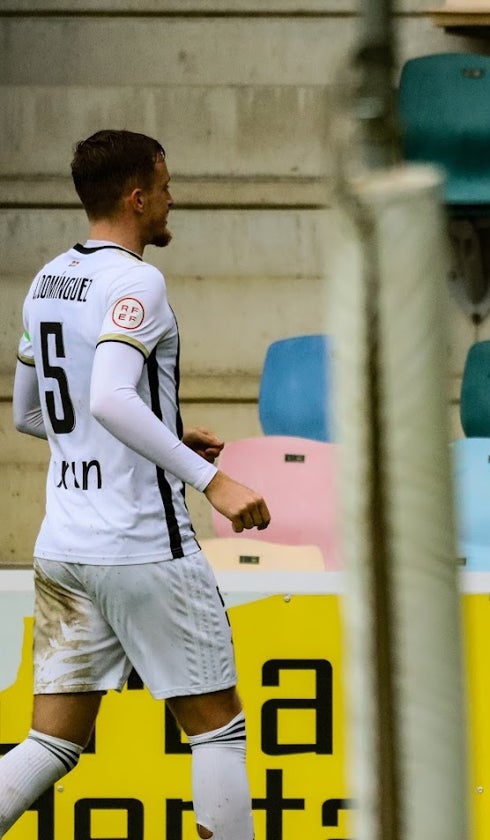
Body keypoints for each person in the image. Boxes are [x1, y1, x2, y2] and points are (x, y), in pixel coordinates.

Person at [1, 130, 270, 839]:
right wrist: (210, 479)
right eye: (166, 184)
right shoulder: (136, 281)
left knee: (51, 742)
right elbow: (112, 399)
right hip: (140, 544)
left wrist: (167, 435)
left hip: (64, 545)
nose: (173, 198)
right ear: (137, 196)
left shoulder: (46, 279)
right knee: (218, 732)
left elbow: (33, 412)